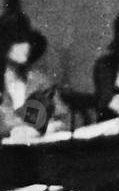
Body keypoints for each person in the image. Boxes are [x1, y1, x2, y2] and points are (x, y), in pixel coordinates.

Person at [0, 11, 70, 139]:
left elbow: (64, 118)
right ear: (4, 45)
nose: (26, 46)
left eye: (28, 41)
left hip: (37, 152)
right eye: (19, 41)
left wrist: (49, 127)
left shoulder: (39, 80)